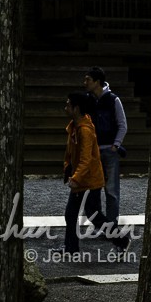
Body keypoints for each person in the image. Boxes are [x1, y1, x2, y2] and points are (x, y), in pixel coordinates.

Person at [63, 92, 126, 255]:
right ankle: (71, 249)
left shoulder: (84, 130)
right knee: (73, 214)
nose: (66, 107)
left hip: (89, 181)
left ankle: (122, 240)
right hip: (83, 179)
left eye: (68, 104)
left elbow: (85, 159)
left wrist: (75, 177)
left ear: (76, 109)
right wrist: (68, 169)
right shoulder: (75, 127)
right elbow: (70, 155)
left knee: (94, 216)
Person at [83, 66, 127, 225]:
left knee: (112, 191)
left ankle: (112, 225)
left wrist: (116, 145)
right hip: (93, 152)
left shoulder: (113, 99)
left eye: (88, 79)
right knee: (93, 191)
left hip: (109, 150)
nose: (85, 82)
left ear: (97, 82)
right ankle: (100, 223)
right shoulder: (87, 100)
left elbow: (122, 124)